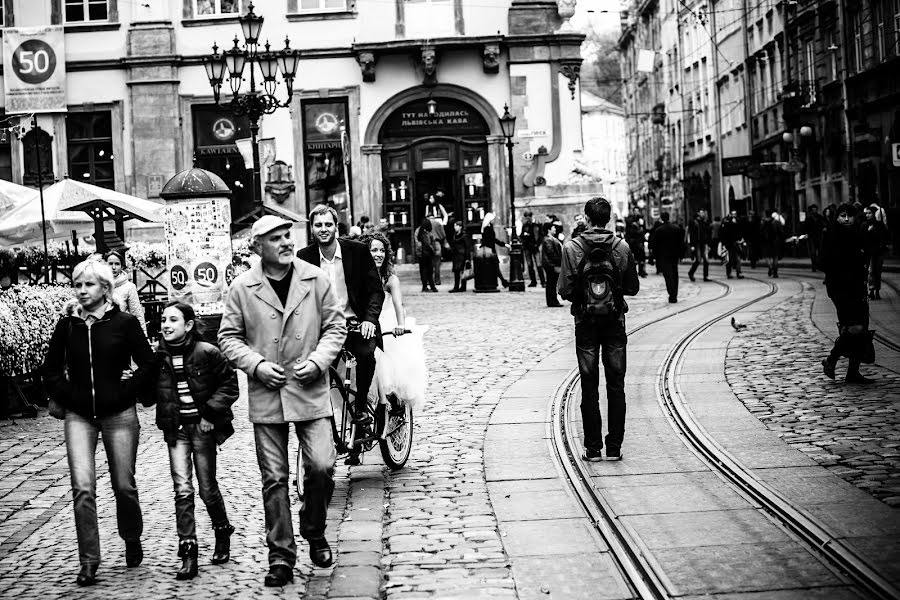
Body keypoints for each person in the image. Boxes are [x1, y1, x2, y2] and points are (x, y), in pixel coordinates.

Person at [219, 215, 347, 585]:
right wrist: (256, 365)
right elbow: (229, 338)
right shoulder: (243, 287)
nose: (286, 242)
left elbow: (334, 327)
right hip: (268, 393)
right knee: (274, 478)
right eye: (276, 238)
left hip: (309, 387)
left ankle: (314, 527)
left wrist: (320, 360)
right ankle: (281, 555)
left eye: (288, 235)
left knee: (322, 465)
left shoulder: (316, 278)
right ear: (258, 247)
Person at [42, 259, 155, 587]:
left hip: (119, 415)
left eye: (88, 284)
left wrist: (127, 389)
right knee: (83, 488)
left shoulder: (125, 323)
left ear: (105, 288)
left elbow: (148, 363)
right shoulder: (67, 326)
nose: (81, 290)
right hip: (79, 417)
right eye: (77, 284)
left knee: (124, 485)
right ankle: (89, 561)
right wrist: (71, 394)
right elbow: (50, 370)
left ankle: (131, 537)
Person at [147, 301, 239, 580]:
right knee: (182, 489)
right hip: (175, 430)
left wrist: (211, 412)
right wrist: (134, 380)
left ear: (188, 325)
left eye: (173, 320)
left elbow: (229, 385)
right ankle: (188, 551)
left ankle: (222, 531)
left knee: (207, 488)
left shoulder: (207, 352)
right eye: (163, 319)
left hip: (201, 428)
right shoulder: (157, 357)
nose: (166, 325)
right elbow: (149, 396)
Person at [558, 197, 640, 462]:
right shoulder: (622, 246)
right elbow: (633, 287)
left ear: (587, 218)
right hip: (615, 322)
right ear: (608, 218)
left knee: (589, 384)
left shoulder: (572, 248)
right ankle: (614, 446)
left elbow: (564, 290)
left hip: (585, 324)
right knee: (616, 385)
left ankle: (593, 448)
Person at [298, 204, 385, 445]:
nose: (323, 229)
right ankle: (323, 424)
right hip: (324, 330)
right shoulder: (304, 258)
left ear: (337, 226)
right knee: (316, 372)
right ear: (312, 229)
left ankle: (360, 410)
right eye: (318, 225)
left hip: (356, 324)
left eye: (328, 224)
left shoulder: (356, 252)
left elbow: (376, 291)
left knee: (366, 355)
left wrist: (369, 320)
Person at [360, 232, 428, 408]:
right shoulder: (358, 278)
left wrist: (400, 325)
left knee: (387, 371)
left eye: (382, 250)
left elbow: (398, 305)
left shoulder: (390, 280)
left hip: (387, 325)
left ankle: (390, 405)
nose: (378, 254)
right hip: (367, 325)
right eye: (373, 250)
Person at [820, 203, 874, 384]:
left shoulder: (859, 234)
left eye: (849, 216)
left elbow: (866, 256)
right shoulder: (830, 234)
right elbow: (822, 261)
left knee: (860, 327)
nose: (846, 219)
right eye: (842, 215)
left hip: (858, 286)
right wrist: (841, 266)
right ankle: (831, 359)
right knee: (854, 327)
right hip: (840, 288)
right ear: (836, 217)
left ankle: (853, 371)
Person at [105, 250, 146, 333]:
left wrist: (143, 337)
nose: (113, 267)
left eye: (117, 264)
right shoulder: (98, 285)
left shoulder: (129, 287)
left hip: (121, 333)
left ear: (122, 266)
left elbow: (137, 315)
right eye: (110, 263)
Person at [649, 211, 684, 303]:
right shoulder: (676, 228)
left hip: (663, 256)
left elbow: (654, 244)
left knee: (668, 275)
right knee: (674, 274)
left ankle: (671, 293)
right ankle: (674, 294)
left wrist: (654, 257)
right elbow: (681, 243)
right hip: (674, 255)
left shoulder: (659, 230)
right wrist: (681, 255)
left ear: (661, 218)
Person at [862, 204, 889, 300]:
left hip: (879, 252)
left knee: (878, 272)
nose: (867, 215)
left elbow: (884, 237)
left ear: (874, 214)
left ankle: (877, 291)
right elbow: (862, 239)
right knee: (871, 272)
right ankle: (872, 291)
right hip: (869, 253)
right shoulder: (864, 225)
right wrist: (869, 232)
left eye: (869, 213)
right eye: (866, 213)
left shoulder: (879, 224)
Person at [481, 212, 509, 288]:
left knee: (494, 267)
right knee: (495, 267)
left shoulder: (489, 227)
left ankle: (502, 281)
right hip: (490, 250)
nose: (494, 220)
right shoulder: (487, 228)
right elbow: (493, 240)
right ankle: (503, 282)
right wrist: (504, 244)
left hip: (490, 250)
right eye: (492, 219)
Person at [541, 221, 564, 307]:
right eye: (553, 228)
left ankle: (552, 300)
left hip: (551, 264)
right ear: (549, 230)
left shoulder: (550, 239)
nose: (555, 229)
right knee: (551, 283)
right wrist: (559, 261)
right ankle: (552, 301)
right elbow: (551, 253)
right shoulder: (548, 240)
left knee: (552, 283)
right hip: (551, 264)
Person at [520, 210, 545, 287]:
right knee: (530, 265)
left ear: (531, 216)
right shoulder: (525, 225)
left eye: (529, 218)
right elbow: (521, 235)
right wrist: (524, 236)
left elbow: (541, 236)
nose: (528, 219)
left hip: (535, 247)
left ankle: (543, 281)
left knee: (538, 264)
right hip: (527, 247)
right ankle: (533, 281)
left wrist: (537, 244)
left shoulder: (538, 224)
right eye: (526, 218)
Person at [447, 219, 473, 293]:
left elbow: (467, 247)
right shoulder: (455, 235)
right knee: (457, 272)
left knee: (462, 271)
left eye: (456, 226)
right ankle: (457, 286)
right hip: (456, 255)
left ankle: (462, 286)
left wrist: (468, 258)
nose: (455, 227)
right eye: (455, 226)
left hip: (462, 256)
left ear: (460, 227)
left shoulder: (464, 236)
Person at [415, 217, 439, 292]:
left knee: (423, 271)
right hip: (427, 254)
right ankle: (432, 286)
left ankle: (425, 286)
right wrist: (433, 251)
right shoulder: (427, 234)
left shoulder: (418, 231)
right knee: (429, 271)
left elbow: (418, 243)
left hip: (421, 254)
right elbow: (429, 244)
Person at [720, 210, 745, 280]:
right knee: (729, 259)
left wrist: (741, 239)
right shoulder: (726, 223)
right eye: (732, 214)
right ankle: (729, 273)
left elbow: (740, 232)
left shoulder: (738, 222)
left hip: (735, 243)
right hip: (728, 244)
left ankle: (738, 272)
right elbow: (722, 233)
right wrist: (723, 243)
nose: (734, 216)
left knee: (737, 258)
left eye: (735, 214)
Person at [687, 209, 711, 282]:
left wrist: (708, 244)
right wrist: (692, 245)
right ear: (698, 213)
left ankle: (705, 276)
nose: (703, 214)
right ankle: (691, 273)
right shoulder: (693, 222)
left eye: (703, 213)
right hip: (697, 243)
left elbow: (707, 233)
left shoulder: (705, 222)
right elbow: (691, 234)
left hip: (704, 243)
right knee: (698, 260)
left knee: (706, 261)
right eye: (701, 213)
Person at [760, 209, 786, 277]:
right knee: (775, 257)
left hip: (766, 242)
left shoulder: (763, 222)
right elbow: (781, 232)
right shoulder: (776, 222)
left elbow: (760, 233)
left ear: (765, 214)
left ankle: (770, 266)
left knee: (766, 256)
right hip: (775, 241)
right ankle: (775, 272)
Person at [803, 204, 826, 271]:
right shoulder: (808, 218)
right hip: (811, 237)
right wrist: (805, 234)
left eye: (815, 210)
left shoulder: (820, 217)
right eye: (813, 210)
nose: (814, 211)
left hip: (819, 236)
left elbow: (824, 225)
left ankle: (818, 265)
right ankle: (814, 266)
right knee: (813, 252)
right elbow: (805, 227)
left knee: (819, 252)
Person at [430, 216, 448, 286]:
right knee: (437, 263)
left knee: (430, 263)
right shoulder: (438, 223)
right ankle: (437, 280)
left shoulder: (427, 224)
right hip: (437, 243)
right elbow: (443, 234)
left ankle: (430, 280)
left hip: (429, 243)